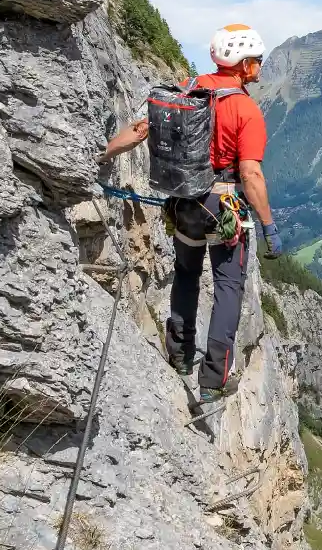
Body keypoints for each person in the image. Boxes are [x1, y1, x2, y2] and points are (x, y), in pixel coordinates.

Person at [98, 24, 283, 401]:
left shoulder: (188, 90)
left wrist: (100, 155)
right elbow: (250, 173)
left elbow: (138, 131)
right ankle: (214, 378)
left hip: (183, 201)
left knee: (185, 274)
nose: (260, 67)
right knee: (228, 287)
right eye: (257, 60)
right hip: (223, 206)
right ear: (243, 63)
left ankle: (180, 354)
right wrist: (268, 224)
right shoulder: (246, 109)